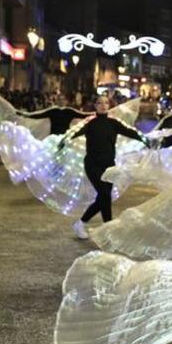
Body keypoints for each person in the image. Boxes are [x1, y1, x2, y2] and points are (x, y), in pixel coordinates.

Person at [66, 94, 146, 239]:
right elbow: (72, 134)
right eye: (99, 103)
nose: (103, 105)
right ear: (95, 105)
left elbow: (131, 132)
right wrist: (61, 142)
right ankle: (108, 229)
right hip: (92, 164)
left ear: (109, 105)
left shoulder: (114, 123)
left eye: (106, 103)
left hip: (109, 166)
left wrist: (146, 140)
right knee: (104, 194)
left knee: (104, 197)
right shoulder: (89, 123)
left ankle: (81, 223)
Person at [24, 93, 91, 135]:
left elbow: (83, 115)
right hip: (53, 137)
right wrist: (25, 115)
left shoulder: (69, 111)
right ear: (57, 101)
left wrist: (95, 114)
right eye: (59, 99)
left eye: (63, 99)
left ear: (66, 101)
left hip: (63, 137)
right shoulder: (53, 110)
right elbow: (38, 115)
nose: (61, 101)